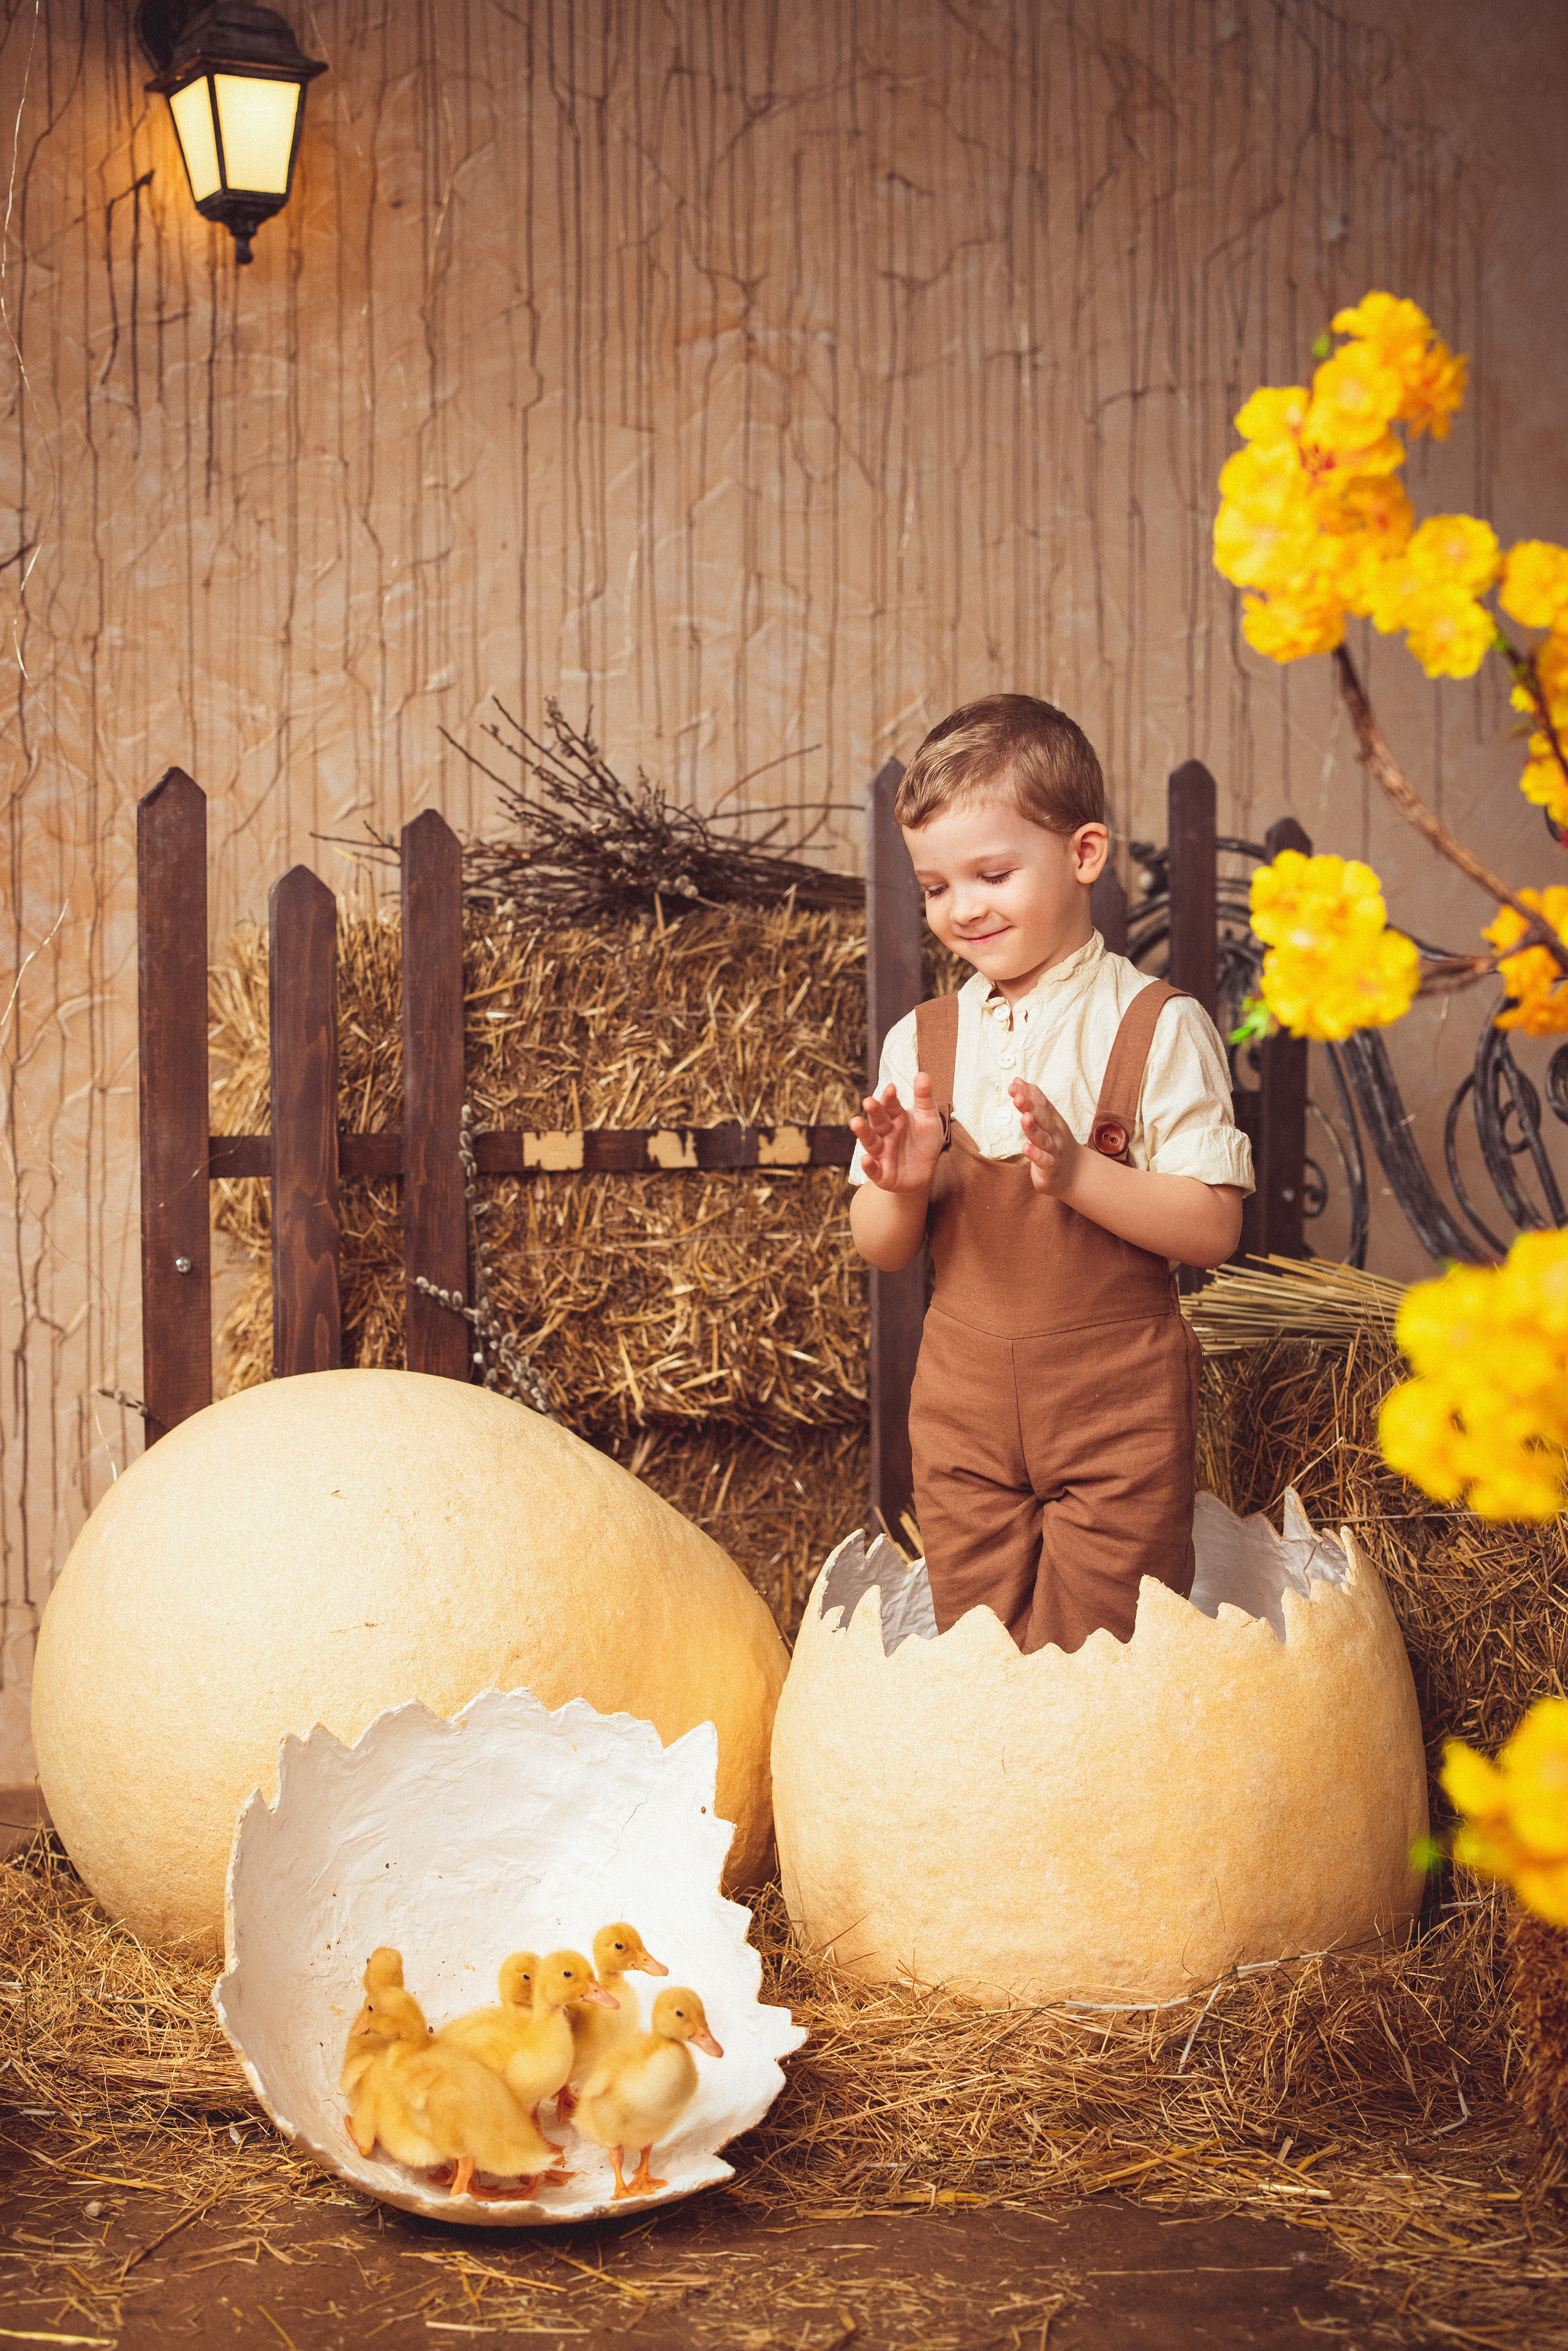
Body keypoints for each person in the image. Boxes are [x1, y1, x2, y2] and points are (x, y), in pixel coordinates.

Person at [848, 695, 1254, 1655]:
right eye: (937, 886)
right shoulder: (923, 1041)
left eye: (993, 873)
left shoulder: (1158, 1024)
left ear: (1083, 854)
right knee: (981, 1654)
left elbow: (1213, 1227)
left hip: (1116, 1407)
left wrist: (1077, 1174)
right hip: (960, 1408)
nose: (964, 909)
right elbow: (882, 1247)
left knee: (1107, 1656)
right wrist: (902, 1181)